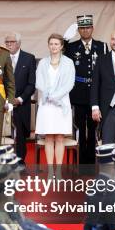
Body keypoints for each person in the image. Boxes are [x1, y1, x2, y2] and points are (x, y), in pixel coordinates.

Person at [63, 15, 108, 165]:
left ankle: (92, 158)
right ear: (79, 30)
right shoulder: (72, 47)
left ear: (93, 28)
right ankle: (82, 160)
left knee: (94, 127)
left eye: (88, 27)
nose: (85, 30)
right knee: (80, 128)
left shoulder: (102, 46)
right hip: (78, 92)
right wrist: (66, 39)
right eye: (82, 28)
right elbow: (60, 52)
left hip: (97, 93)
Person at [35, 34, 75, 170]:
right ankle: (50, 170)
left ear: (62, 46)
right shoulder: (42, 63)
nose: (53, 46)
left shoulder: (69, 63)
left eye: (56, 44)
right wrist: (49, 95)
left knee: (59, 137)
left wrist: (56, 96)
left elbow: (70, 83)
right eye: (51, 44)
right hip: (46, 104)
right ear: (48, 45)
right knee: (49, 137)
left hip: (61, 103)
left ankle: (58, 171)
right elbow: (39, 81)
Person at [4, 32, 36, 165]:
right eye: (7, 42)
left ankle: (20, 162)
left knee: (21, 135)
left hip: (21, 103)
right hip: (3, 102)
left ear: (19, 43)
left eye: (12, 42)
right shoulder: (1, 57)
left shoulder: (28, 58)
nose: (9, 45)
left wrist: (20, 99)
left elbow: (31, 84)